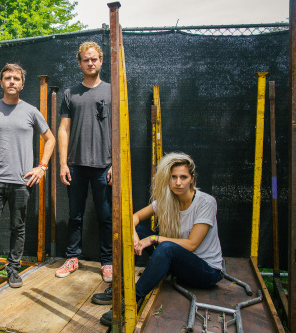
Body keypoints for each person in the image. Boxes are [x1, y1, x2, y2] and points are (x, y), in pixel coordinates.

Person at [94, 152, 223, 326]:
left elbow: (192, 245)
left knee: (165, 246)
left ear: (192, 178)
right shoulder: (168, 199)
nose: (178, 182)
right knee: (137, 230)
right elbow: (134, 218)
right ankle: (121, 289)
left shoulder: (206, 202)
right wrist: (135, 237)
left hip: (206, 271)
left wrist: (153, 239)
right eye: (173, 177)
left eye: (183, 177)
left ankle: (131, 301)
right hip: (180, 265)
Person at [0, 63, 55, 298]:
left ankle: (13, 269)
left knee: (18, 227)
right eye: (8, 78)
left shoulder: (31, 111)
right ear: (1, 82)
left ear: (22, 84)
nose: (12, 81)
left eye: (16, 78)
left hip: (22, 182)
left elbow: (51, 139)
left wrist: (42, 167)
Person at [56, 41, 113, 282]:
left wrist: (116, 165)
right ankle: (72, 258)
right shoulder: (70, 93)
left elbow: (121, 130)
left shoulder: (113, 91)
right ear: (79, 63)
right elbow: (63, 130)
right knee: (75, 215)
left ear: (101, 61)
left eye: (94, 59)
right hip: (76, 165)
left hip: (105, 165)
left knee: (106, 216)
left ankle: (108, 261)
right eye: (86, 59)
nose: (90, 63)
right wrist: (62, 163)